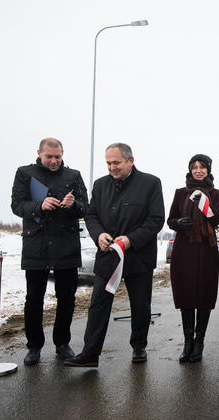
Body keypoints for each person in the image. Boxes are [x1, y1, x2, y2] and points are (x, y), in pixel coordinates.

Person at [65, 143, 164, 367]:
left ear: (130, 160)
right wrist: (99, 235)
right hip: (108, 254)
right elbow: (91, 216)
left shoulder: (150, 183)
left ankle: (139, 346)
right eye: (108, 163)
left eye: (116, 162)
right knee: (98, 303)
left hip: (138, 256)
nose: (112, 167)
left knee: (140, 305)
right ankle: (90, 353)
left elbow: (156, 220)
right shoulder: (100, 185)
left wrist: (129, 240)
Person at [11, 137, 88, 365]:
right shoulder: (24, 173)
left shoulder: (73, 176)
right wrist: (39, 205)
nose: (54, 161)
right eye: (49, 157)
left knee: (67, 298)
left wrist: (73, 205)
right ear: (39, 153)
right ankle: (34, 346)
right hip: (37, 245)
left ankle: (62, 343)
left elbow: (86, 207)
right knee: (34, 298)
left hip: (66, 245)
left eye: (58, 157)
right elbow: (17, 205)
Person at [167, 154, 219, 363]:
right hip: (184, 249)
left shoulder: (216, 194)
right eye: (194, 167)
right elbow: (170, 219)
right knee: (187, 294)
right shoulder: (181, 193)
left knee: (204, 295)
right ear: (190, 170)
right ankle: (188, 342)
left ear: (208, 170)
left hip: (206, 249)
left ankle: (199, 342)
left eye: (202, 167)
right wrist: (178, 222)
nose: (198, 171)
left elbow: (217, 218)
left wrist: (204, 205)